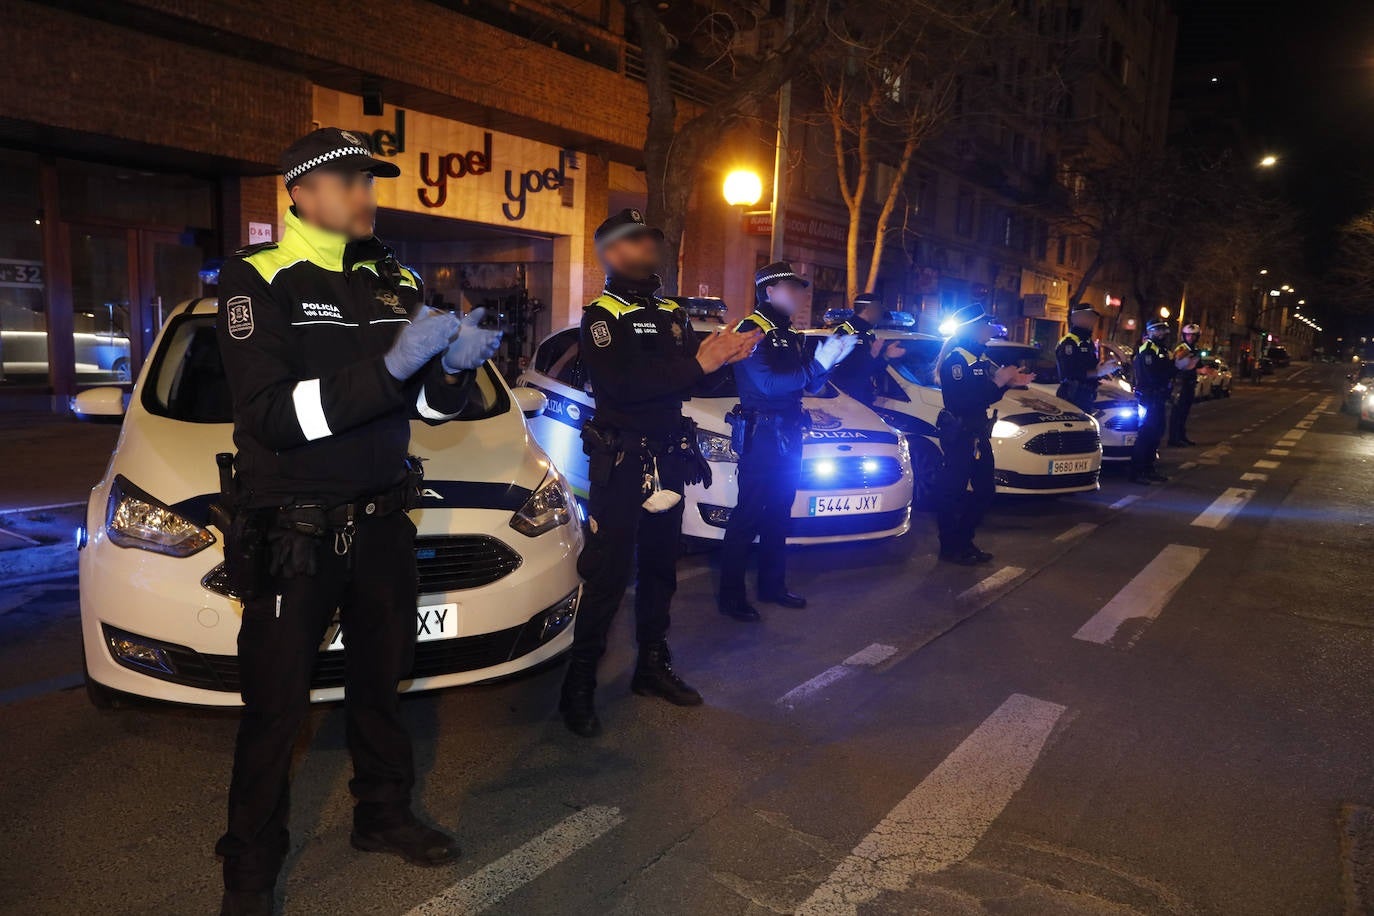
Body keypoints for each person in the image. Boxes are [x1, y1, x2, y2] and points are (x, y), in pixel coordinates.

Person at [214, 128, 503, 916]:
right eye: (346, 180)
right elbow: (273, 416)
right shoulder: (255, 278)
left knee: (381, 684)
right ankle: (248, 874)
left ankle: (382, 814)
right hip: (293, 530)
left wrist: (452, 370)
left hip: (382, 523)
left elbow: (434, 415)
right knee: (276, 708)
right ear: (299, 193)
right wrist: (392, 367)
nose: (363, 192)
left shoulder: (393, 278)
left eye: (368, 180)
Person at [560, 208, 761, 737]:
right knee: (606, 576)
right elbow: (626, 386)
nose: (645, 246)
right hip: (623, 460)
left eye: (649, 236)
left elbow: (684, 383)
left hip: (668, 456)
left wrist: (728, 359)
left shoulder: (672, 309)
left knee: (661, 568)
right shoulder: (603, 316)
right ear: (610, 252)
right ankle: (578, 685)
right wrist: (700, 363)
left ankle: (651, 665)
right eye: (632, 240)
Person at [717, 262, 857, 621]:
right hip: (762, 434)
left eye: (800, 288)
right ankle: (731, 596)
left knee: (779, 513)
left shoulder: (788, 333)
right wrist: (816, 365)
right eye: (790, 288)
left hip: (788, 433)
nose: (799, 294)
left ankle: (772, 586)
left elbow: (808, 386)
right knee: (747, 517)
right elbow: (767, 385)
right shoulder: (752, 330)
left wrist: (829, 360)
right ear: (769, 291)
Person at [933, 304, 1034, 565]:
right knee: (952, 492)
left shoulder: (978, 358)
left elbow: (985, 396)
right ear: (974, 327)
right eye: (987, 323)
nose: (991, 328)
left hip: (977, 433)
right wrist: (999, 382)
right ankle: (950, 547)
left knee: (985, 491)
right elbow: (963, 401)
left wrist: (1008, 383)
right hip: (961, 434)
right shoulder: (957, 360)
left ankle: (965, 541)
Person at [830, 292, 905, 404]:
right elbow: (845, 369)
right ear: (867, 308)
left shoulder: (869, 333)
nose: (880, 314)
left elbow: (872, 368)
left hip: (864, 395)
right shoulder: (845, 331)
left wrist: (886, 356)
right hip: (846, 398)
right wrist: (872, 355)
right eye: (879, 309)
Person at [1131, 319, 1175, 484]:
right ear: (1149, 332)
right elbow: (1153, 375)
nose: (1161, 333)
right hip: (1149, 397)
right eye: (1157, 330)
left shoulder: (1161, 349)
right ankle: (1137, 471)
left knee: (1156, 434)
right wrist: (1175, 367)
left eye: (1163, 330)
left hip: (1158, 397)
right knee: (1146, 434)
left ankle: (1149, 468)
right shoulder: (1148, 350)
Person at [1054, 305, 1119, 413]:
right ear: (1076, 318)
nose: (1093, 320)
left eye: (1093, 317)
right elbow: (1070, 373)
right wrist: (1098, 372)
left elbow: (1090, 366)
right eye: (1088, 316)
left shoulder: (1088, 342)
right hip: (1072, 395)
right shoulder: (1069, 342)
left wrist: (1104, 369)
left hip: (1086, 394)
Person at [1168, 322, 1202, 446]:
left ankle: (1181, 436)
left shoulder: (1194, 349)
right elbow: (1179, 364)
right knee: (1178, 412)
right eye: (1188, 335)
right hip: (1181, 384)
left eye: (1193, 336)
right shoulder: (1182, 348)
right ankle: (1174, 438)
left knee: (1184, 412)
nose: (1190, 338)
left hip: (1189, 383)